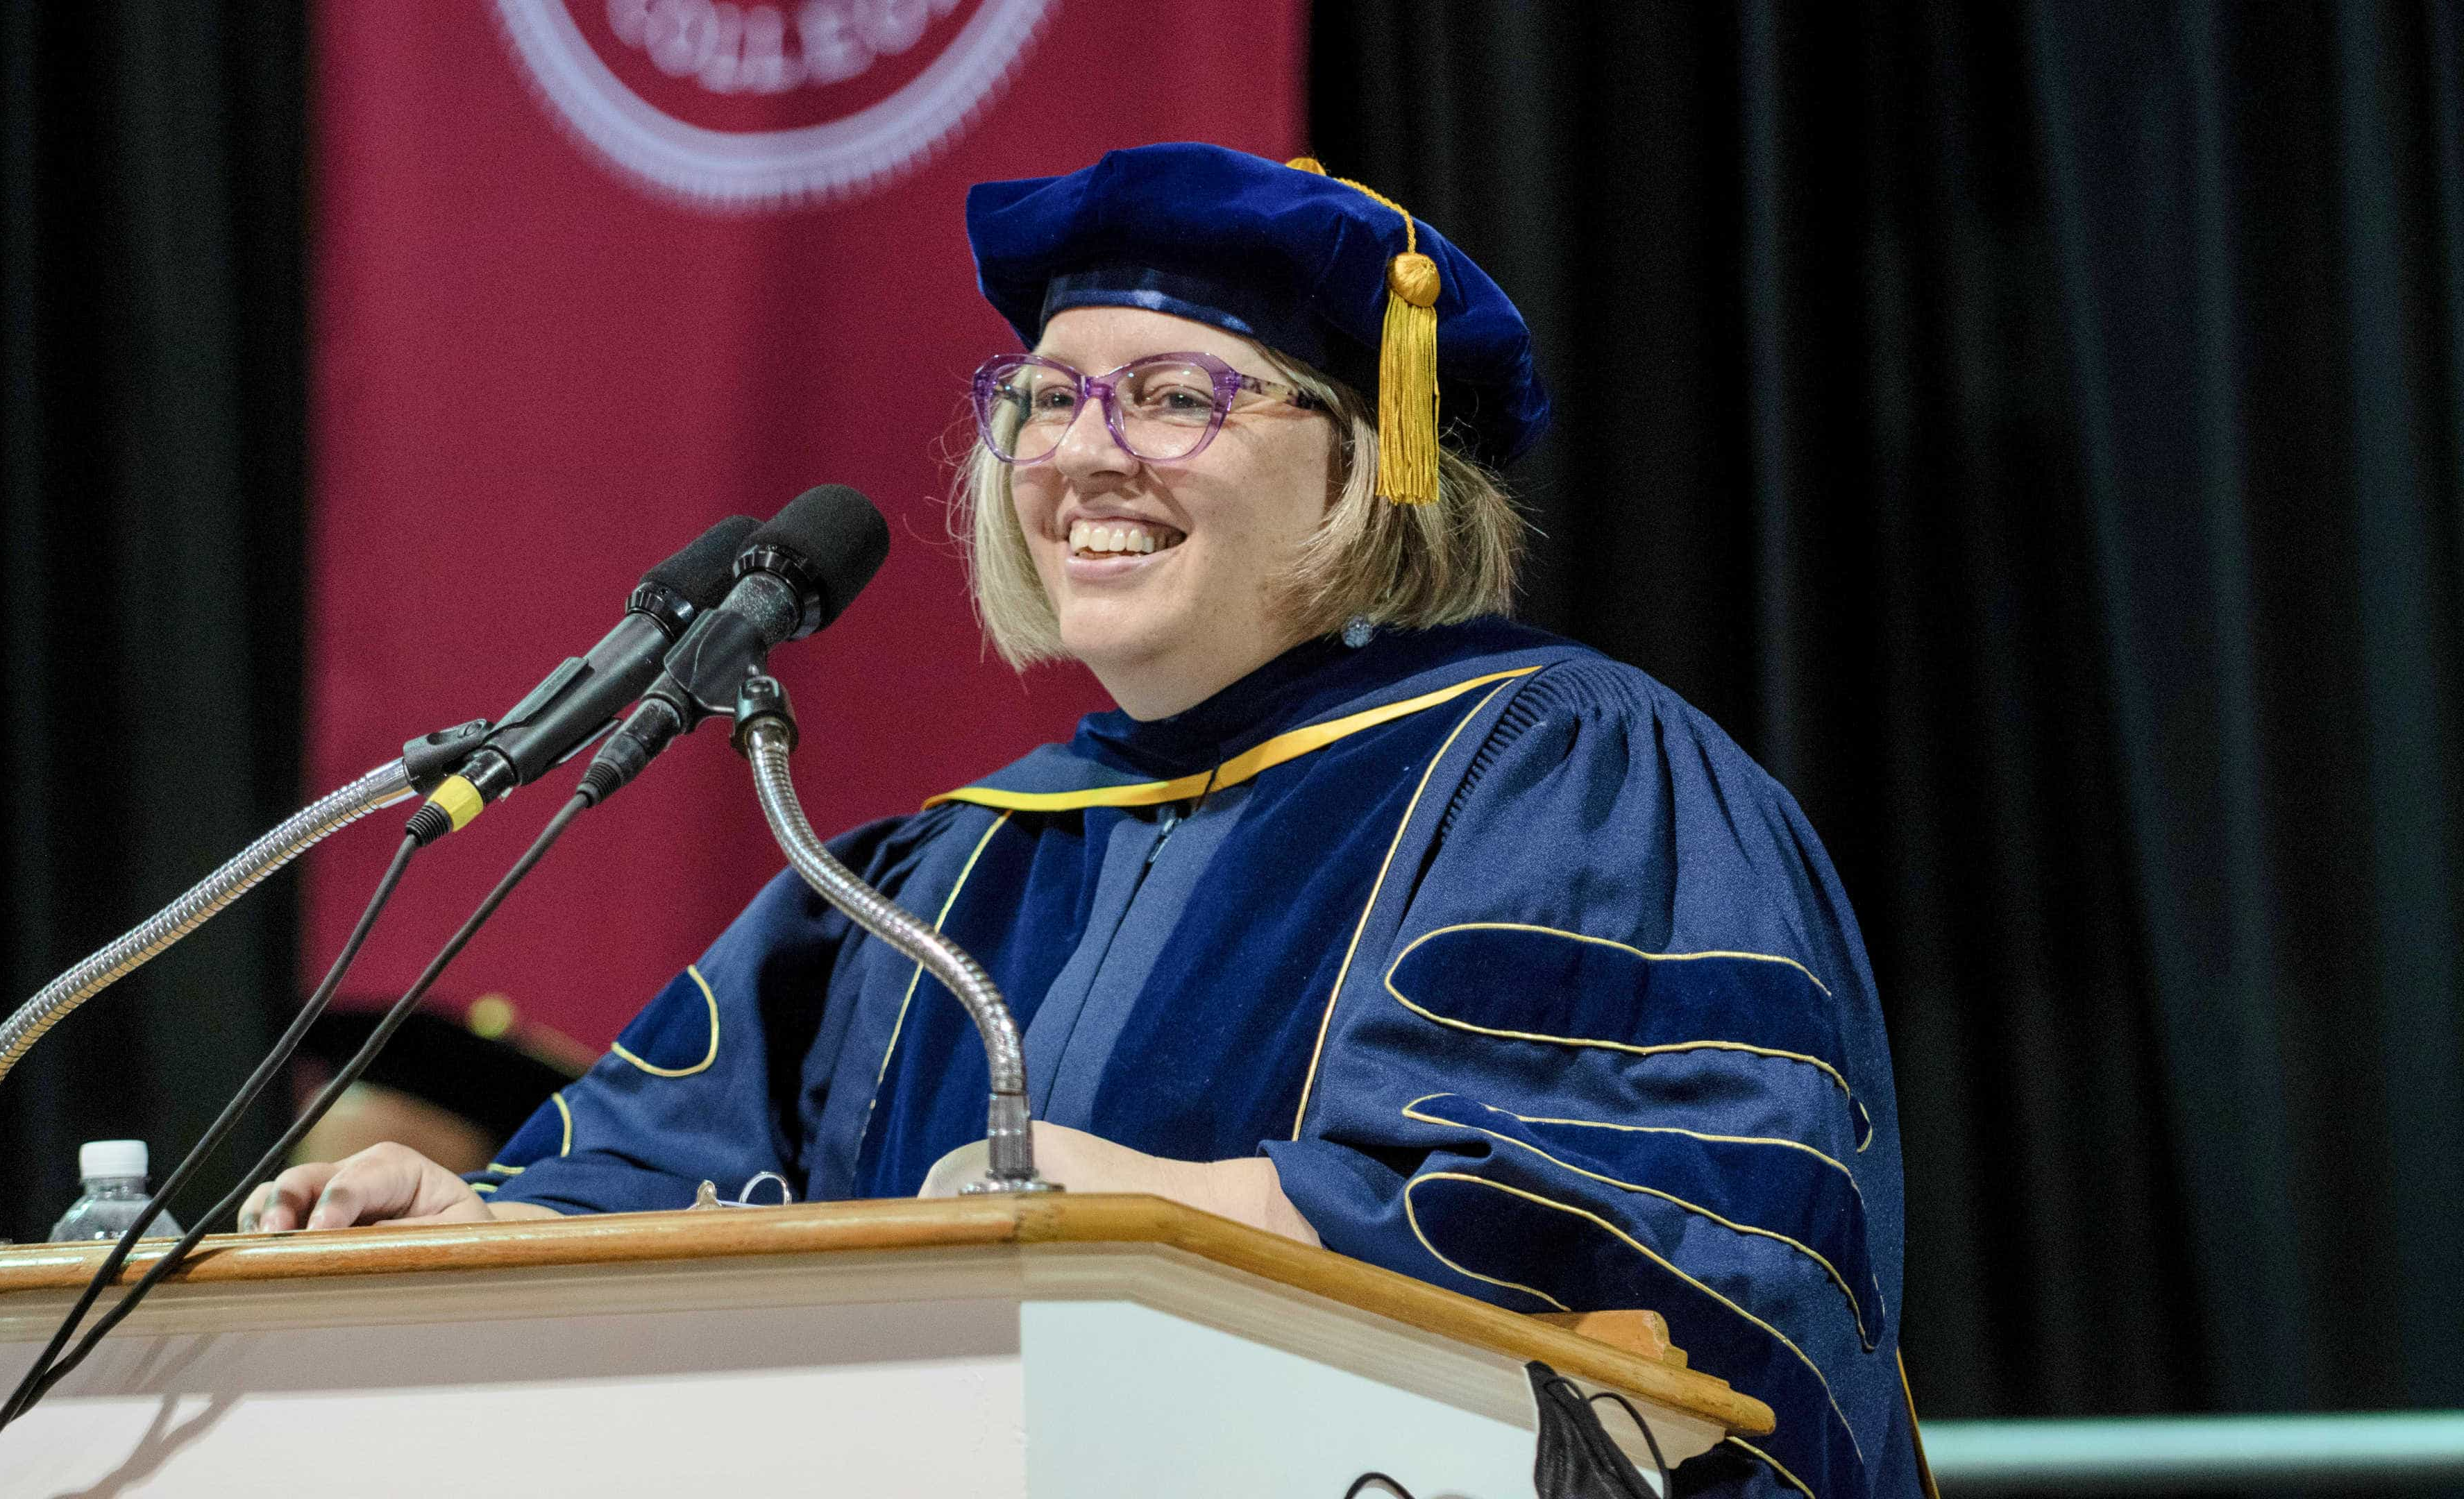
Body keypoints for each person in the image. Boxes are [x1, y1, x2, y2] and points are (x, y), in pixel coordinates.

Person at [243, 144, 1918, 1499]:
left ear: (1372, 467)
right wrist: (486, 1225)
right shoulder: (948, 867)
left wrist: (1132, 1215)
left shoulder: (1560, 770)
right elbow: (681, 1174)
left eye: (1176, 397)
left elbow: (1665, 1231)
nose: (1082, 457)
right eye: (1045, 402)